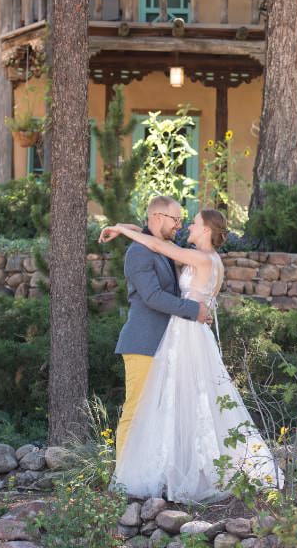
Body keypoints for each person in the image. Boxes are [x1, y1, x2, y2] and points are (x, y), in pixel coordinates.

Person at [100, 208, 282, 504]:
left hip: (187, 335)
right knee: (189, 401)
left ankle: (188, 470)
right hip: (188, 333)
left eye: (195, 223)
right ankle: (183, 466)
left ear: (208, 230)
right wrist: (123, 224)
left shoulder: (201, 258)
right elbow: (155, 237)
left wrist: (121, 231)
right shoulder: (207, 258)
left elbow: (158, 245)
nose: (188, 227)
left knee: (187, 401)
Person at [112, 196, 211, 464]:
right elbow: (153, 296)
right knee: (136, 411)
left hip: (167, 344)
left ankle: (149, 471)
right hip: (143, 343)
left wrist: (124, 226)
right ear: (157, 217)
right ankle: (123, 475)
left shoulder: (161, 247)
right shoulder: (138, 252)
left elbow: (150, 236)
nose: (180, 225)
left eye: (182, 220)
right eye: (175, 219)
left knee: (161, 415)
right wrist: (194, 310)